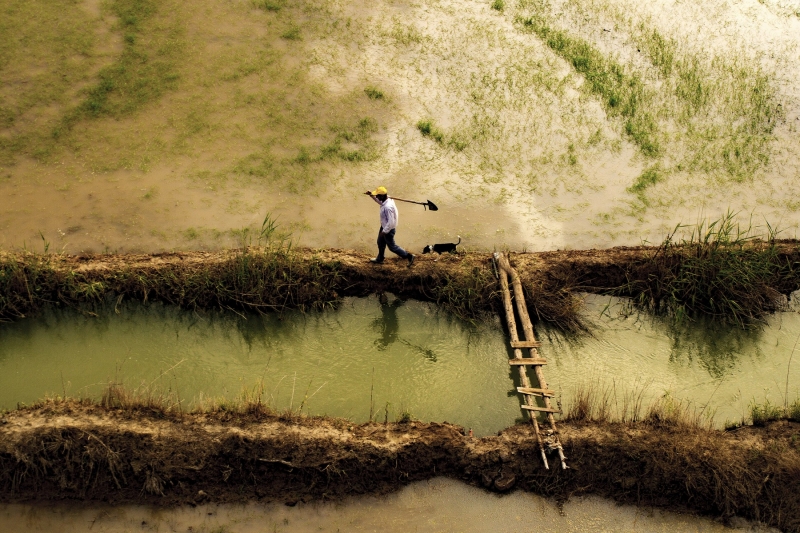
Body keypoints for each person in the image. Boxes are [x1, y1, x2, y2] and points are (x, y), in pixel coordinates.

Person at [364, 186, 414, 266]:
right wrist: (371, 195)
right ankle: (380, 259)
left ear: (383, 196)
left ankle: (409, 256)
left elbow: (391, 222)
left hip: (388, 229)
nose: (376, 197)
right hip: (384, 226)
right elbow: (380, 202)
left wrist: (384, 231)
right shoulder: (388, 199)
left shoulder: (387, 207)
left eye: (378, 195)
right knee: (380, 242)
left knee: (392, 247)